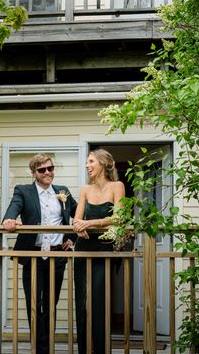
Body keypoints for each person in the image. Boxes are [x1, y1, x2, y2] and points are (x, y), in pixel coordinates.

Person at [2, 153, 77, 354]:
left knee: (51, 302)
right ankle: (39, 347)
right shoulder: (23, 191)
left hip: (57, 256)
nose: (48, 173)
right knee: (34, 302)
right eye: (42, 170)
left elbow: (80, 215)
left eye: (50, 168)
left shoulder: (63, 191)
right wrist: (9, 220)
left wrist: (72, 238)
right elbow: (13, 208)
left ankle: (48, 344)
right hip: (32, 256)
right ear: (33, 172)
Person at [72, 149, 125, 354]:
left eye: (91, 161)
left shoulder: (117, 186)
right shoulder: (85, 189)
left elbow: (118, 218)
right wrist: (79, 227)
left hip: (104, 249)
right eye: (87, 162)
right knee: (82, 300)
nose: (87, 165)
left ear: (103, 164)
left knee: (99, 300)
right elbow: (77, 219)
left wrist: (89, 223)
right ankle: (84, 349)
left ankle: (101, 349)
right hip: (82, 248)